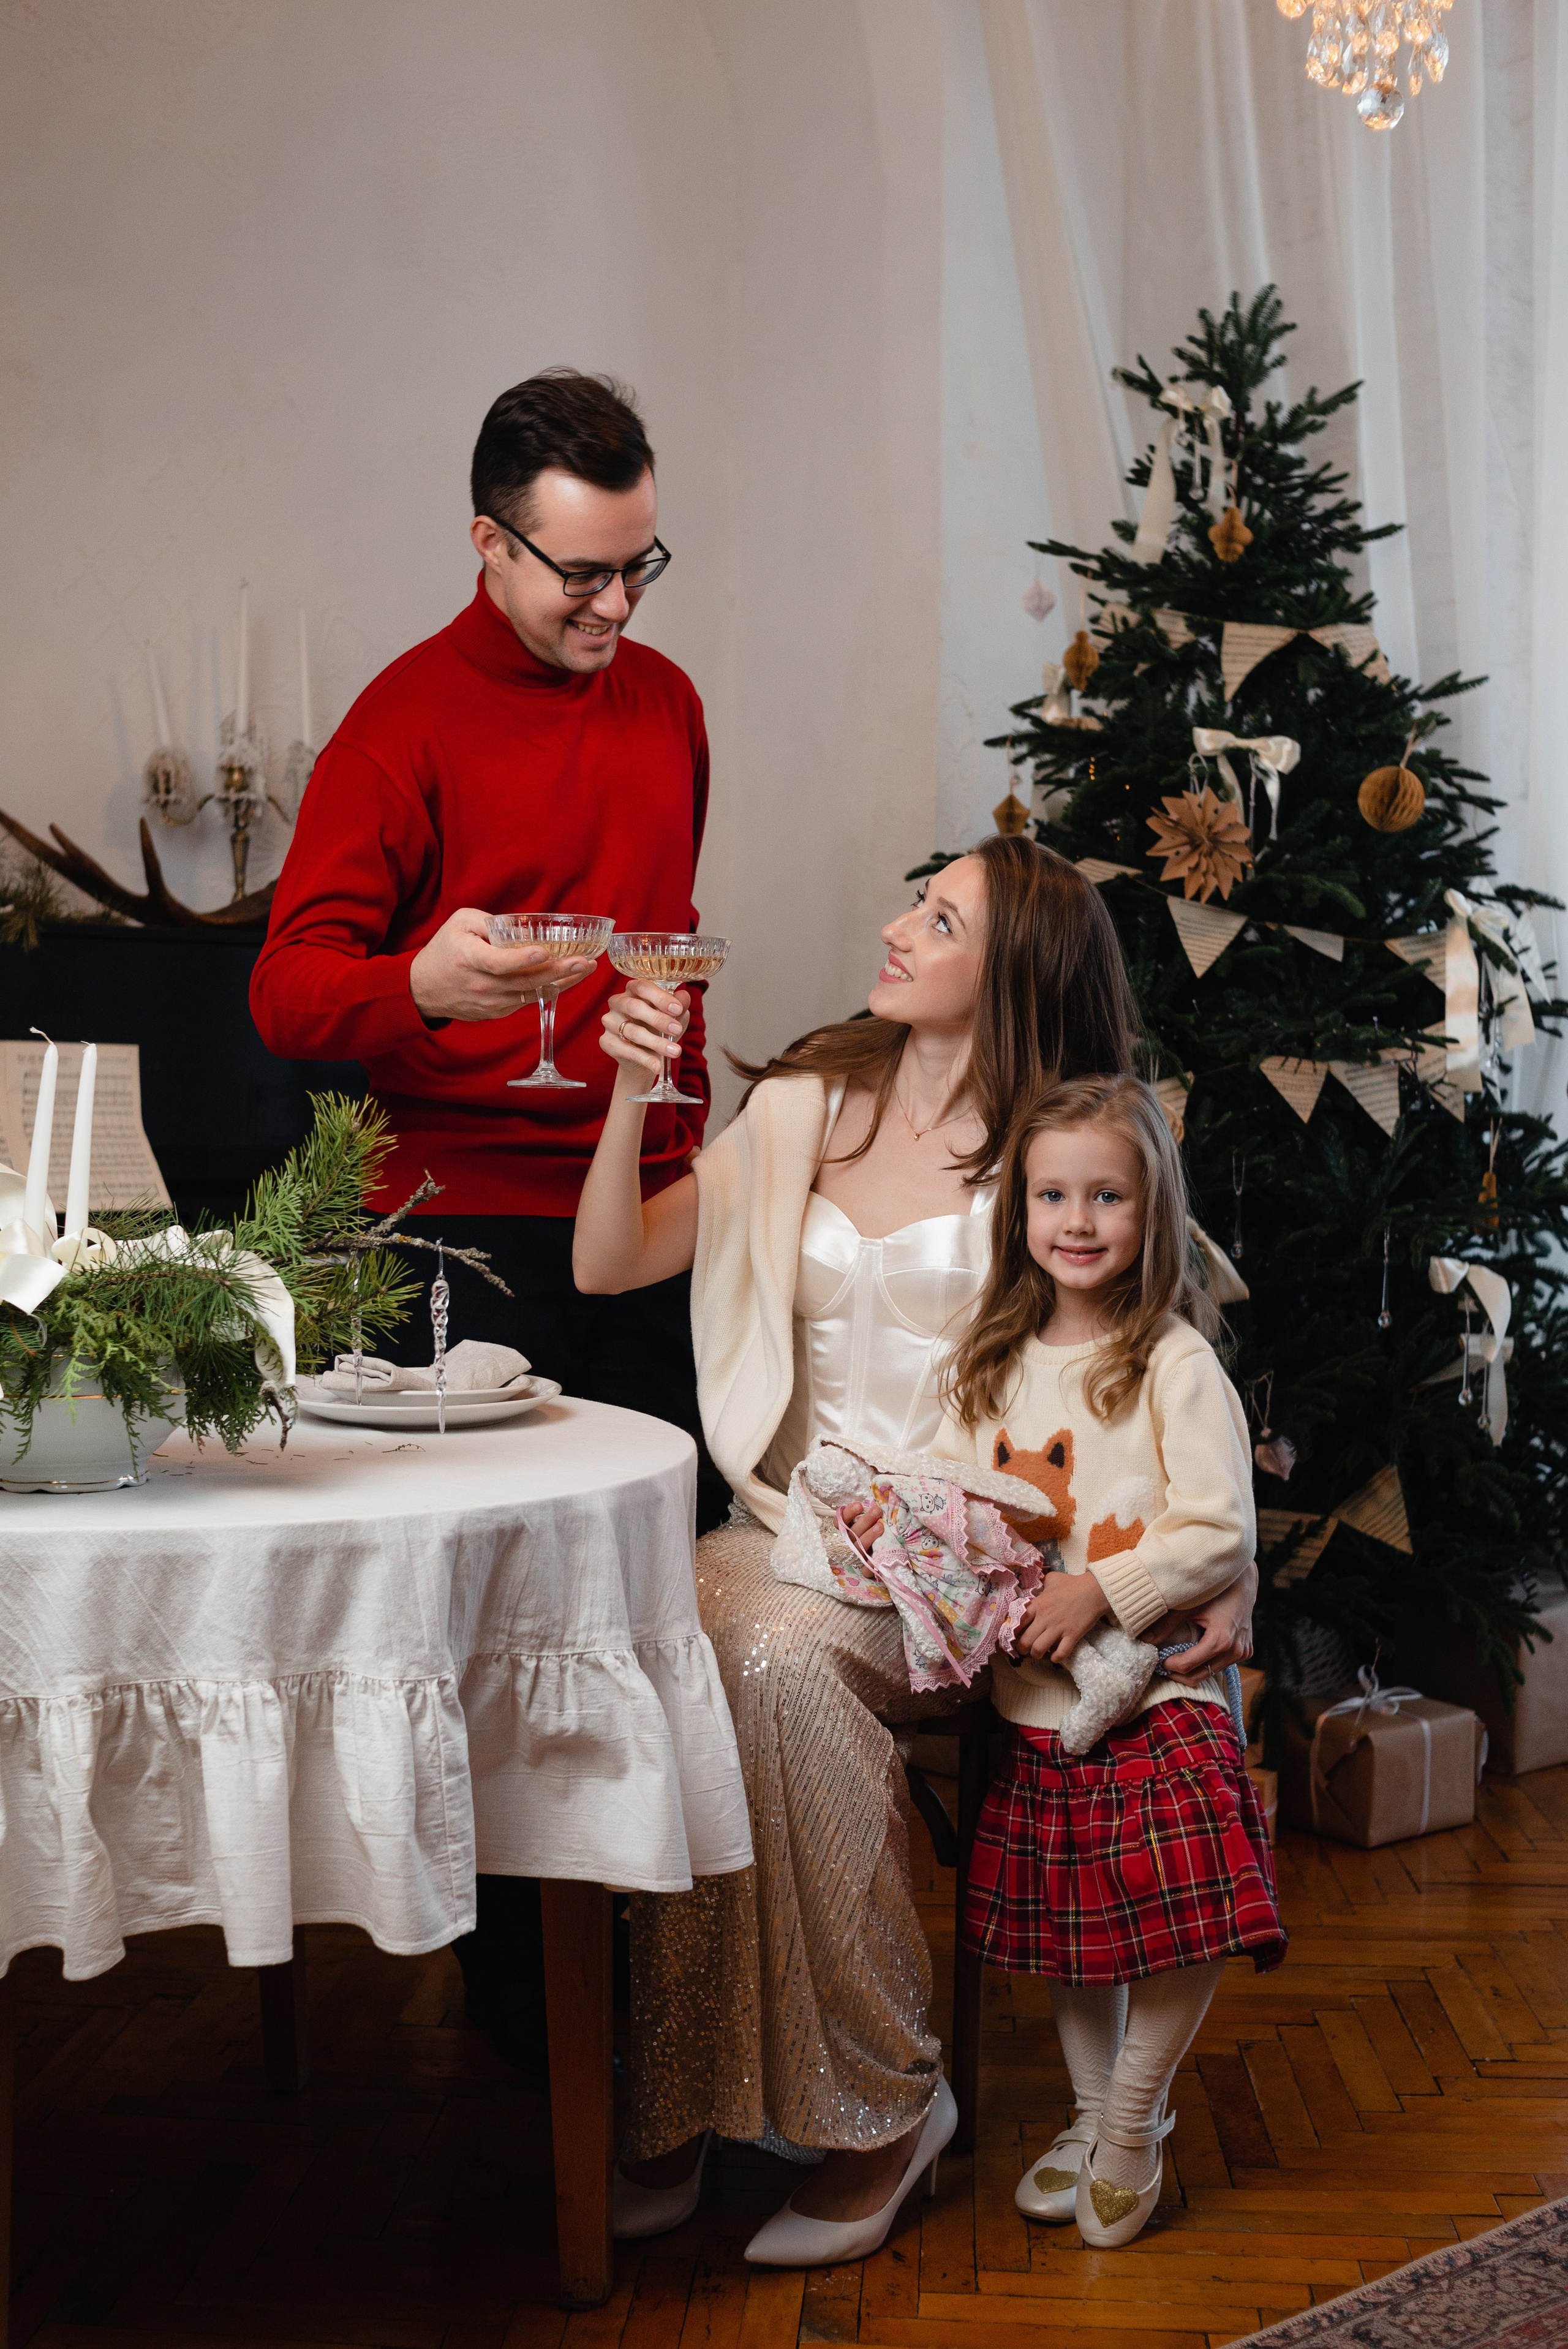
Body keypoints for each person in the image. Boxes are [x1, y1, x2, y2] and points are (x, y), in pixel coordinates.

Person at [571, 834, 1260, 2264]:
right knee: (691, 1643)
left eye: (936, 918)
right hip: (787, 1522)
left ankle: (883, 2109)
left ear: (1004, 973)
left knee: (764, 1657)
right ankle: (697, 2083)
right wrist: (634, 1083)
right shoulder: (804, 1108)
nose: (893, 927)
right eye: (913, 902)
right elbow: (608, 1261)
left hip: (978, 1570)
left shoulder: (1066, 1149)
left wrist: (1224, 1561)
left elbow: (1176, 1348)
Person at [249, 367, 723, 2068]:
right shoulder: (401, 720)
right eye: (579, 572)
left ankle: (675, 2010)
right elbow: (286, 992)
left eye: (639, 566)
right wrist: (418, 984)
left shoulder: (667, 701)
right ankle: (535, 2043)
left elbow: (665, 933)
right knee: (509, 1649)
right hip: (456, 1232)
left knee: (656, 1614)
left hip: (648, 1215)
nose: (611, 607)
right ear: (485, 542)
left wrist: (691, 1113)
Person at [937, 1074, 1286, 2251]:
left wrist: (1102, 1589)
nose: (1076, 1222)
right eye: (1052, 1195)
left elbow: (1219, 1528)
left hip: (1168, 1681)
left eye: (1107, 1197)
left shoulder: (1174, 1363)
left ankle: (1133, 2118)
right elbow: (947, 1505)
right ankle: (1092, 2117)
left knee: (1182, 1913)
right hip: (1038, 1701)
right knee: (1074, 1923)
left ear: (1153, 1212)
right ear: (1019, 1213)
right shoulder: (984, 1360)